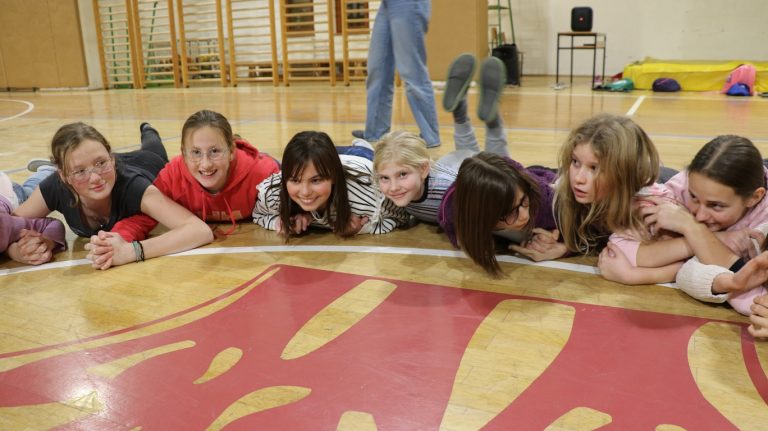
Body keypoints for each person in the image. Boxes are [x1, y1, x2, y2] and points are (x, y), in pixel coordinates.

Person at [12, 122, 213, 269]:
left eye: (101, 163)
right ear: (64, 177)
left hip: (146, 162)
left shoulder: (134, 187)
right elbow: (7, 226)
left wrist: (132, 251)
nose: (95, 178)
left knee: (153, 146)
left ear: (112, 158)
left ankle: (148, 129)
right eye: (80, 171)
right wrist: (15, 252)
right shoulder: (55, 187)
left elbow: (199, 231)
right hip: (114, 167)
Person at [599, 136, 768, 296]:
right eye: (694, 197)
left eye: (716, 205)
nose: (700, 216)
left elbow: (744, 282)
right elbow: (622, 249)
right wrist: (711, 236)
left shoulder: (763, 222)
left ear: (754, 198)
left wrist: (637, 276)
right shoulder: (680, 188)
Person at [372, 54, 508, 224]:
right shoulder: (398, 188)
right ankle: (459, 111)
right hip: (454, 161)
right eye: (385, 178)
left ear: (424, 169)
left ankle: (492, 121)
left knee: (501, 175)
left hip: (466, 175)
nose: (393, 187)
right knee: (469, 154)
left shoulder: (451, 191)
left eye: (402, 174)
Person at [511, 113, 662, 263]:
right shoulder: (567, 190)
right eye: (575, 161)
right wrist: (565, 248)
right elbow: (594, 237)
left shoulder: (649, 210)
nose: (578, 178)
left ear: (622, 173)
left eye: (594, 168)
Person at [109, 110, 281, 240]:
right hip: (146, 162)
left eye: (215, 151)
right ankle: (148, 130)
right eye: (196, 152)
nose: (206, 164)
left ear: (231, 151)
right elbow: (145, 214)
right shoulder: (172, 176)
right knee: (152, 144)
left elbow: (293, 199)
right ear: (183, 154)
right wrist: (116, 239)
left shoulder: (263, 173)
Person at [253, 131, 409, 237]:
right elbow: (259, 215)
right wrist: (280, 222)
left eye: (316, 180)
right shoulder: (274, 193)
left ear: (333, 177)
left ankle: (362, 146)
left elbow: (401, 216)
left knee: (362, 151)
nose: (305, 192)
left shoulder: (369, 194)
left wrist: (363, 228)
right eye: (295, 180)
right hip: (326, 159)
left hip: (360, 160)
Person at [438, 151, 557, 277]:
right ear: (482, 217)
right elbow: (447, 222)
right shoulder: (453, 212)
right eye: (509, 213)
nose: (524, 216)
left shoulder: (543, 200)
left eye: (524, 201)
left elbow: (573, 225)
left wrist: (563, 248)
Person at [352, 0, 440, 148]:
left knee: (412, 72)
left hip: (407, 4)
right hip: (386, 5)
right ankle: (375, 132)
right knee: (377, 69)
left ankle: (430, 136)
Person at [0, 171, 66, 265]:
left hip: (11, 194)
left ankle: (46, 169)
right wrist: (11, 251)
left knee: (35, 192)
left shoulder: (7, 225)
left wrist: (46, 242)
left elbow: (52, 224)